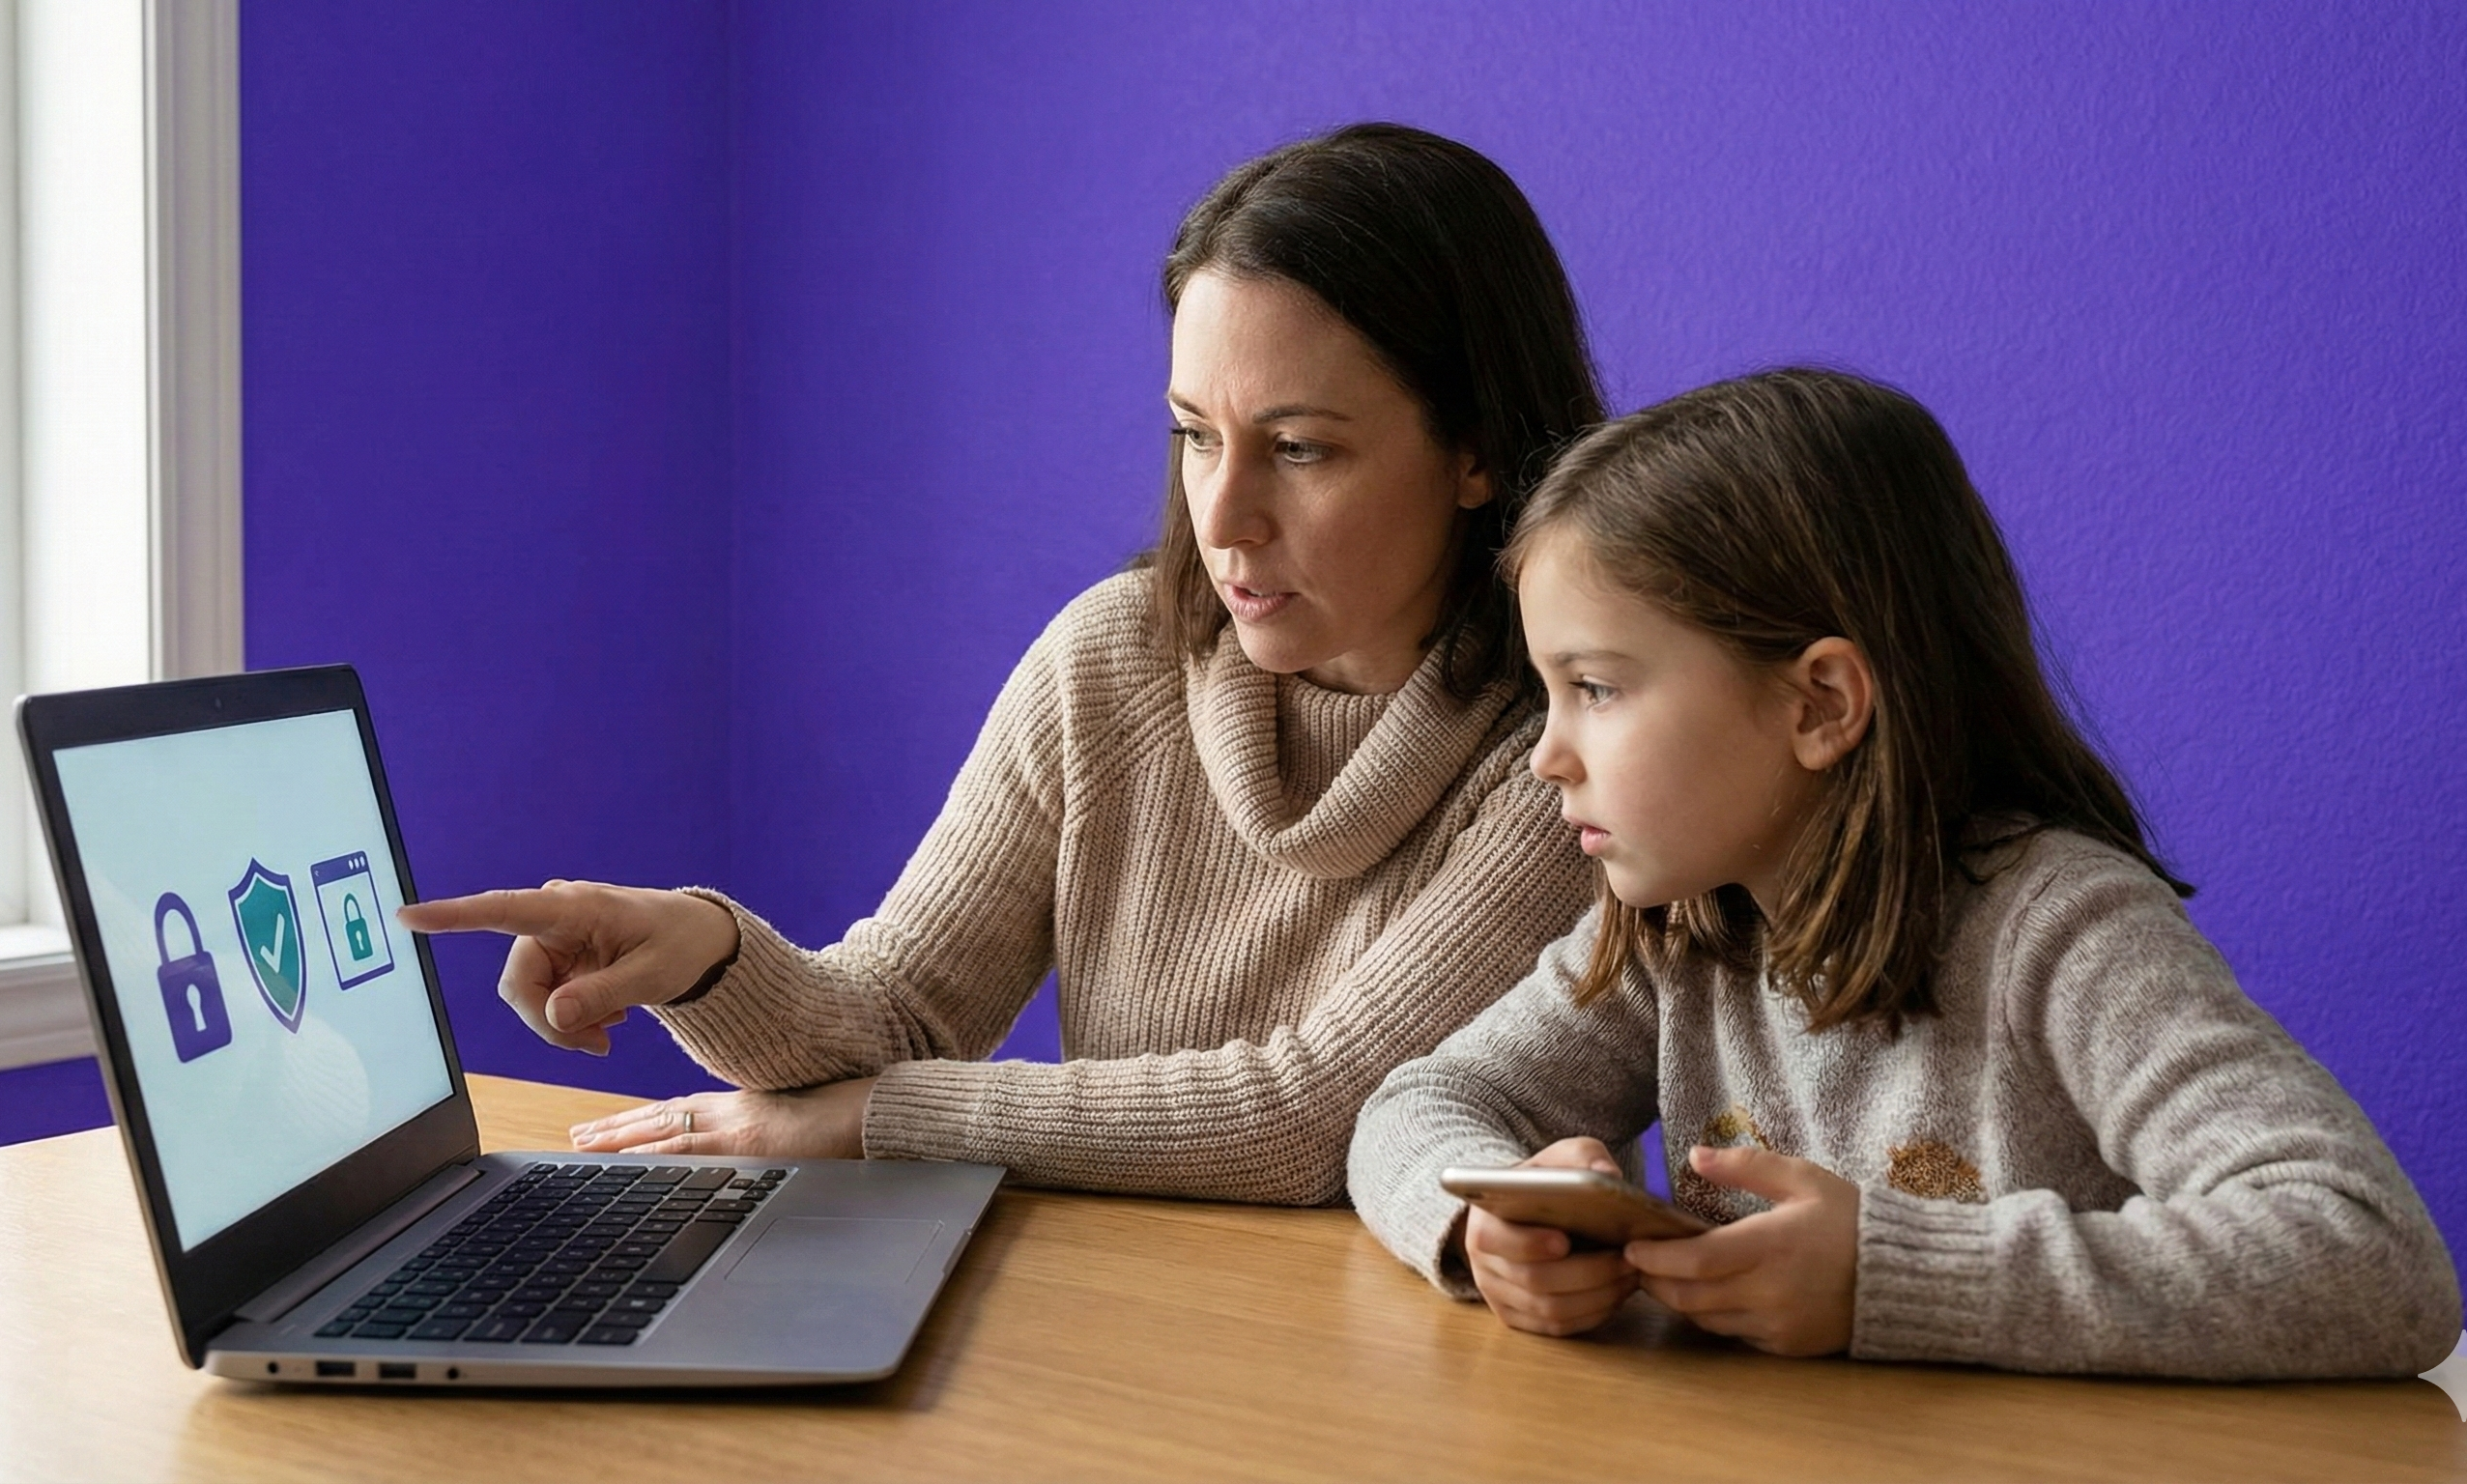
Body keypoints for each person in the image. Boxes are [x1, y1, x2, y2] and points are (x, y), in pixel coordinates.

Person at [398, 124, 1603, 1204]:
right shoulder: (1114, 661)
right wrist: (704, 955)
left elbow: (1307, 1120)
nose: (1222, 516)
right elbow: (899, 1012)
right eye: (1194, 436)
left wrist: (873, 1122)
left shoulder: (1576, 748)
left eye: (1298, 449)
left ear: (1476, 452)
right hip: (1131, 1317)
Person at [1347, 367, 2461, 1377]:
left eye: (1595, 687)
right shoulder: (1684, 933)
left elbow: (2371, 1255)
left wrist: (1894, 1279)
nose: (1546, 754)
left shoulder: (2062, 932)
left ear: (1821, 704)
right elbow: (1418, 1106)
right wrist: (1489, 1227)